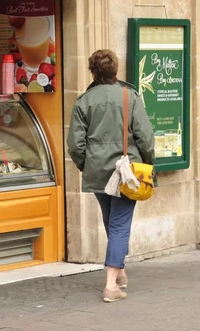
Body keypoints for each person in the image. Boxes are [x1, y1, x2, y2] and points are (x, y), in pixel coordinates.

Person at [67, 49, 155, 303]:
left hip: (98, 170)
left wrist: (87, 165)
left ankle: (121, 272)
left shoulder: (83, 101)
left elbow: (75, 145)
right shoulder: (130, 96)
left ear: (93, 72)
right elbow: (146, 138)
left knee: (111, 220)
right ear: (116, 71)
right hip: (128, 170)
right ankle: (110, 286)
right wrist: (147, 165)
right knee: (119, 224)